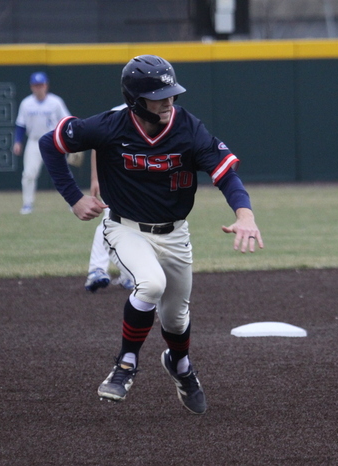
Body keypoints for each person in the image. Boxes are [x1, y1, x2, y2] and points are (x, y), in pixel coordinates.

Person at [38, 55, 264, 415]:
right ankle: (125, 364)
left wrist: (245, 214)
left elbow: (225, 175)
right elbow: (50, 143)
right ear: (135, 100)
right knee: (151, 285)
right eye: (159, 96)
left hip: (174, 234)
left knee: (176, 319)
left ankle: (180, 365)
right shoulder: (110, 126)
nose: (168, 101)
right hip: (125, 228)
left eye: (171, 93)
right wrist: (74, 199)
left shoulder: (189, 128)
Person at [13, 71, 71, 215]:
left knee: (63, 174)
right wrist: (18, 141)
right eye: (36, 85)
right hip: (34, 141)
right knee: (28, 174)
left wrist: (69, 140)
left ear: (46, 85)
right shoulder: (26, 103)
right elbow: (20, 125)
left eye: (41, 85)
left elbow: (66, 121)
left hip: (53, 141)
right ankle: (27, 204)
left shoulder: (55, 102)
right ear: (32, 87)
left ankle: (73, 202)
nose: (39, 88)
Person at [85, 147, 134, 292]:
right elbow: (97, 145)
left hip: (138, 178)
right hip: (114, 174)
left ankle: (128, 274)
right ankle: (97, 269)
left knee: (134, 222)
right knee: (111, 217)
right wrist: (95, 178)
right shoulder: (115, 124)